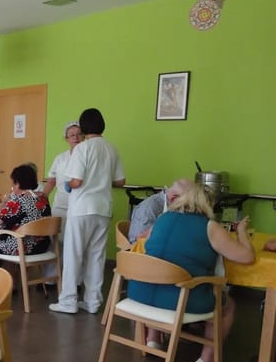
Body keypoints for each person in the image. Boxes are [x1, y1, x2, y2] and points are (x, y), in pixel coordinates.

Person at [127, 184, 255, 362]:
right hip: (179, 300)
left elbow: (142, 237)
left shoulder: (162, 219)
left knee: (161, 273)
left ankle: (153, 339)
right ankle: (207, 359)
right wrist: (242, 232)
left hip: (140, 294)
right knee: (227, 305)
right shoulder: (210, 227)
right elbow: (247, 257)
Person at [50, 108, 126, 315]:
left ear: (83, 128)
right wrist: (100, 179)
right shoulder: (112, 148)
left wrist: (67, 184)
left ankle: (68, 301)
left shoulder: (83, 149)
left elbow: (76, 181)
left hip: (82, 207)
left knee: (73, 254)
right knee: (96, 255)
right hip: (103, 208)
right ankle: (92, 301)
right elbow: (120, 181)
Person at [0, 164, 51, 265]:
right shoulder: (43, 198)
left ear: (18, 183)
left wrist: (5, 201)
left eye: (13, 183)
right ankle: (11, 278)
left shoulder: (17, 201)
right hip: (42, 245)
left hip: (22, 247)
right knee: (10, 239)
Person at [42, 121, 83, 222]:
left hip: (81, 207)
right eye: (72, 135)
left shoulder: (87, 157)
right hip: (61, 205)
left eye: (79, 134)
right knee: (58, 236)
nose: (76, 137)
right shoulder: (60, 158)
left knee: (76, 237)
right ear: (66, 139)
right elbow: (52, 181)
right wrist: (42, 197)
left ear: (84, 136)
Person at [128, 178, 192, 242]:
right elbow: (139, 241)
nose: (188, 208)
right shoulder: (149, 208)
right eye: (186, 204)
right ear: (174, 198)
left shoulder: (171, 205)